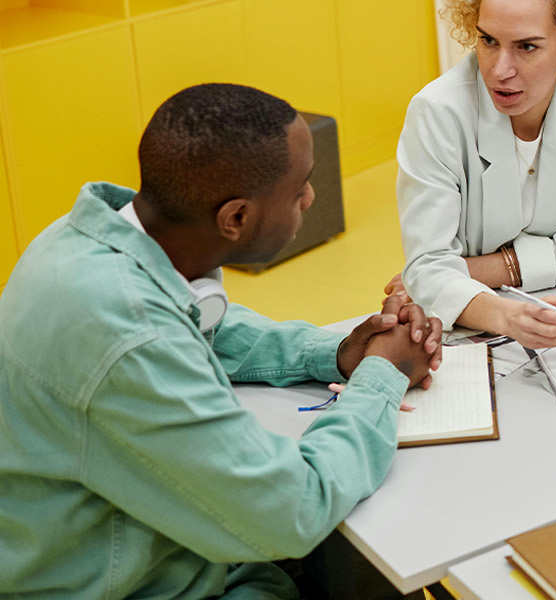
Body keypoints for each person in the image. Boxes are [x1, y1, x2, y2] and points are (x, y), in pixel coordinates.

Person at [0, 84, 443, 598]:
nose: (310, 198)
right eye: (299, 188)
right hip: (137, 584)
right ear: (235, 218)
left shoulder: (86, 241)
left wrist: (337, 352)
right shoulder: (132, 338)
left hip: (141, 549)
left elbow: (206, 327)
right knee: (380, 555)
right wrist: (381, 376)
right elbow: (292, 509)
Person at [392, 0, 556, 348]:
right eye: (488, 41)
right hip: (475, 324)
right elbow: (428, 268)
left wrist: (459, 272)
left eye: (527, 47)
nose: (499, 70)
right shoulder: (437, 114)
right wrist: (507, 315)